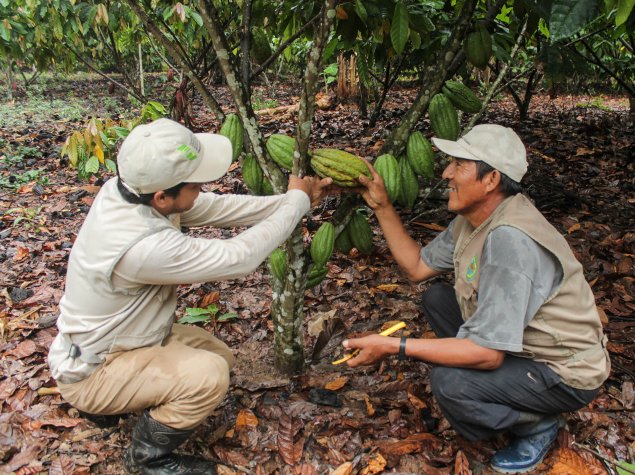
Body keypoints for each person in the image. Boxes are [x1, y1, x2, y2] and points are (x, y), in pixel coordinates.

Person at [47, 118, 332, 475]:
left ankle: (118, 404)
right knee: (208, 377)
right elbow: (238, 258)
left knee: (220, 356)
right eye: (195, 184)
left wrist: (292, 201)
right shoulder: (142, 246)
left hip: (117, 340)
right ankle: (147, 458)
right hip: (94, 368)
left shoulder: (130, 191)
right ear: (163, 196)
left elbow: (216, 209)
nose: (202, 189)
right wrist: (295, 204)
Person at [339, 124, 610, 473]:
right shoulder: (474, 219)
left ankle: (539, 424)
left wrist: (395, 346)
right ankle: (501, 390)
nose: (446, 172)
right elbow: (417, 267)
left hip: (564, 371)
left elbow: (487, 354)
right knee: (437, 297)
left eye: (459, 164)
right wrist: (381, 204)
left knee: (449, 384)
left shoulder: (510, 240)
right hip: (524, 346)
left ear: (491, 179)